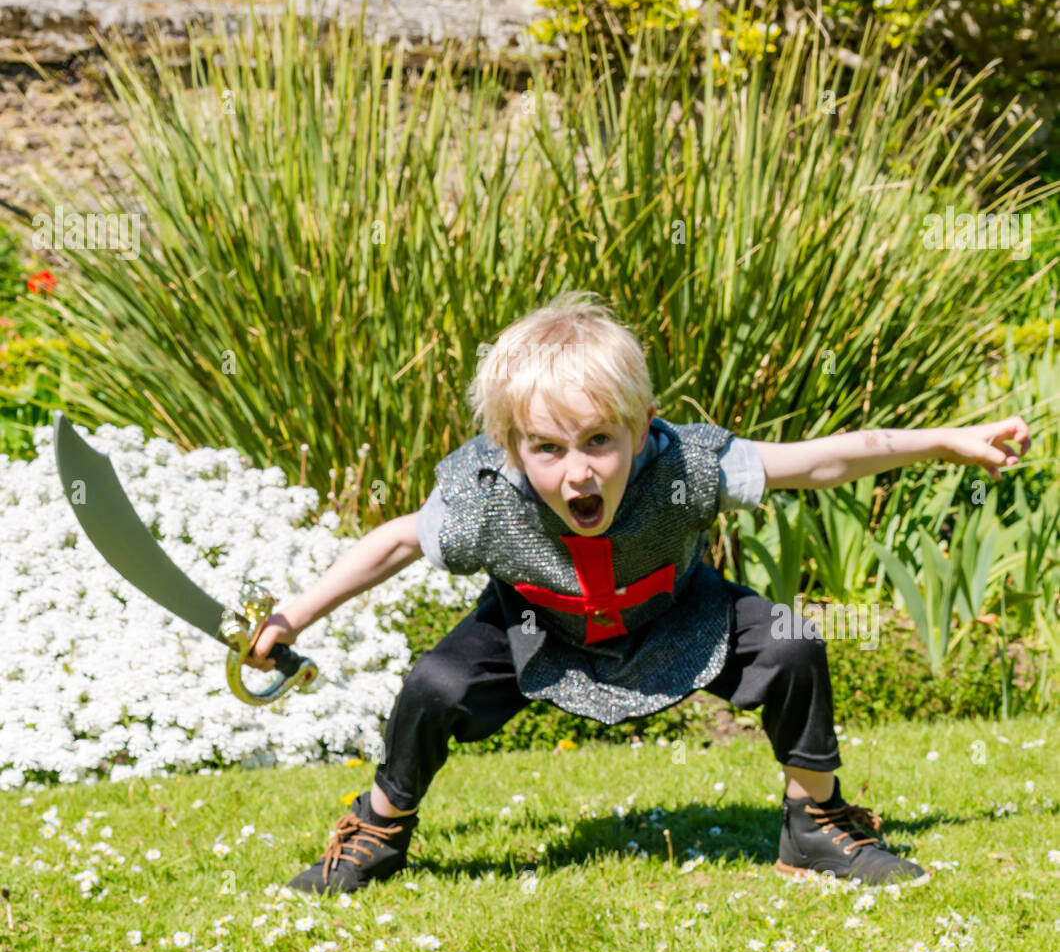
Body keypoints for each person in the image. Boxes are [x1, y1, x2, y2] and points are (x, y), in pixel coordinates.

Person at [249, 291, 1030, 895]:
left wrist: (946, 442)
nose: (577, 472)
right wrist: (293, 615)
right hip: (535, 627)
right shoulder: (485, 498)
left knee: (790, 640)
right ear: (510, 449)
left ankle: (814, 822)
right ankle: (378, 834)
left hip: (679, 613)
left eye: (599, 440)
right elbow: (390, 542)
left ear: (642, 425)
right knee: (435, 684)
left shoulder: (689, 468)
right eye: (547, 450)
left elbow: (822, 460)